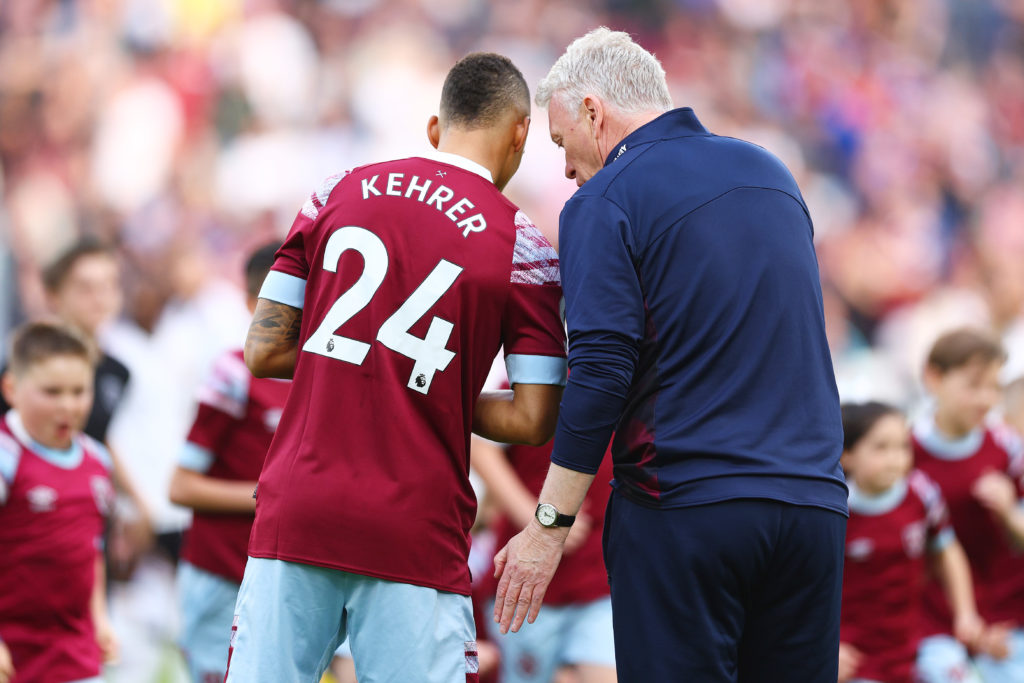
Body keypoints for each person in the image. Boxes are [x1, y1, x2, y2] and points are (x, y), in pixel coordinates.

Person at [494, 28, 847, 683]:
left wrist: (548, 523)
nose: (567, 169)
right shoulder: (770, 172)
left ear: (594, 112)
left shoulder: (606, 197)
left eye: (562, 144)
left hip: (687, 505)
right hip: (811, 507)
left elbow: (600, 369)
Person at [225, 52, 567, 682]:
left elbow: (264, 350)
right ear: (521, 133)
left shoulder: (336, 191)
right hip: (413, 526)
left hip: (299, 507)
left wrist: (364, 366)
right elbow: (533, 416)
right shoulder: (523, 245)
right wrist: (429, 388)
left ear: (435, 128)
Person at [167, 243, 292, 682]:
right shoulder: (233, 372)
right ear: (251, 303)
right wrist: (272, 495)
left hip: (286, 575)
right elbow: (180, 486)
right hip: (221, 570)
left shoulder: (327, 372)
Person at [0, 239, 152, 573]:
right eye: (85, 287)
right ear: (53, 294)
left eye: (109, 285)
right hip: (27, 524)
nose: (100, 298)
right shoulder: (18, 365)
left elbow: (97, 438)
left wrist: (137, 504)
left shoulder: (116, 372)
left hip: (85, 517)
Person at [838, 401, 1002, 683]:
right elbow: (807, 585)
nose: (896, 458)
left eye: (903, 446)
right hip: (857, 656)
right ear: (846, 455)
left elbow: (947, 551)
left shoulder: (921, 493)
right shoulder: (836, 509)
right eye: (881, 448)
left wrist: (965, 613)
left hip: (917, 641)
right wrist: (828, 647)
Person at [0, 322, 118, 683]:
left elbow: (91, 550)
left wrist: (99, 617)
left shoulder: (98, 460)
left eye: (79, 391)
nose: (68, 405)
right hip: (14, 655)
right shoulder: (6, 456)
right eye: (51, 392)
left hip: (76, 652)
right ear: (12, 388)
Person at [472, 404, 616, 683]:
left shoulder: (638, 377)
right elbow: (480, 445)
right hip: (527, 583)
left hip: (605, 577)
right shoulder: (538, 372)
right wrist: (536, 515)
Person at [911, 327, 1024, 681]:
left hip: (1007, 622)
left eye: (994, 387)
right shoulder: (901, 453)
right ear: (933, 377)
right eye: (974, 385)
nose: (986, 399)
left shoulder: (1008, 449)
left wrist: (1008, 514)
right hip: (935, 625)